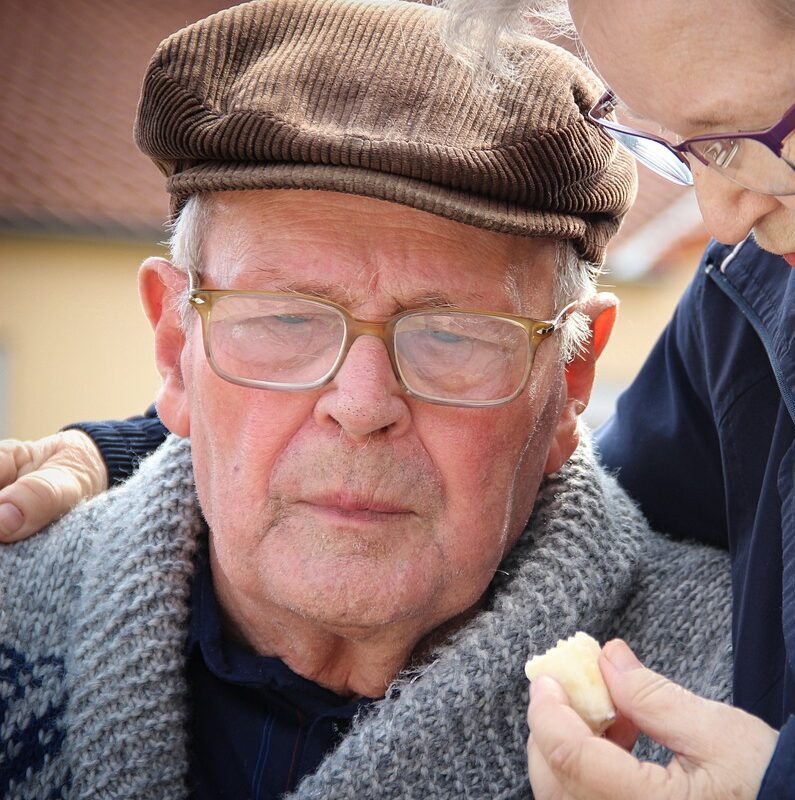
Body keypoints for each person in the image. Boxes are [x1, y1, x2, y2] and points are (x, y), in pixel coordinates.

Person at [4, 0, 795, 796]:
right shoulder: (765, 293)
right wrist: (137, 462)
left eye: (754, 133)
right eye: (674, 148)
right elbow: (526, 478)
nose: (717, 221)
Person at [0, 1, 734, 798]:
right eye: (284, 318)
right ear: (177, 350)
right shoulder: (14, 604)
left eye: (452, 334)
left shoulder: (739, 691)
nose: (360, 404)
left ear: (571, 380)